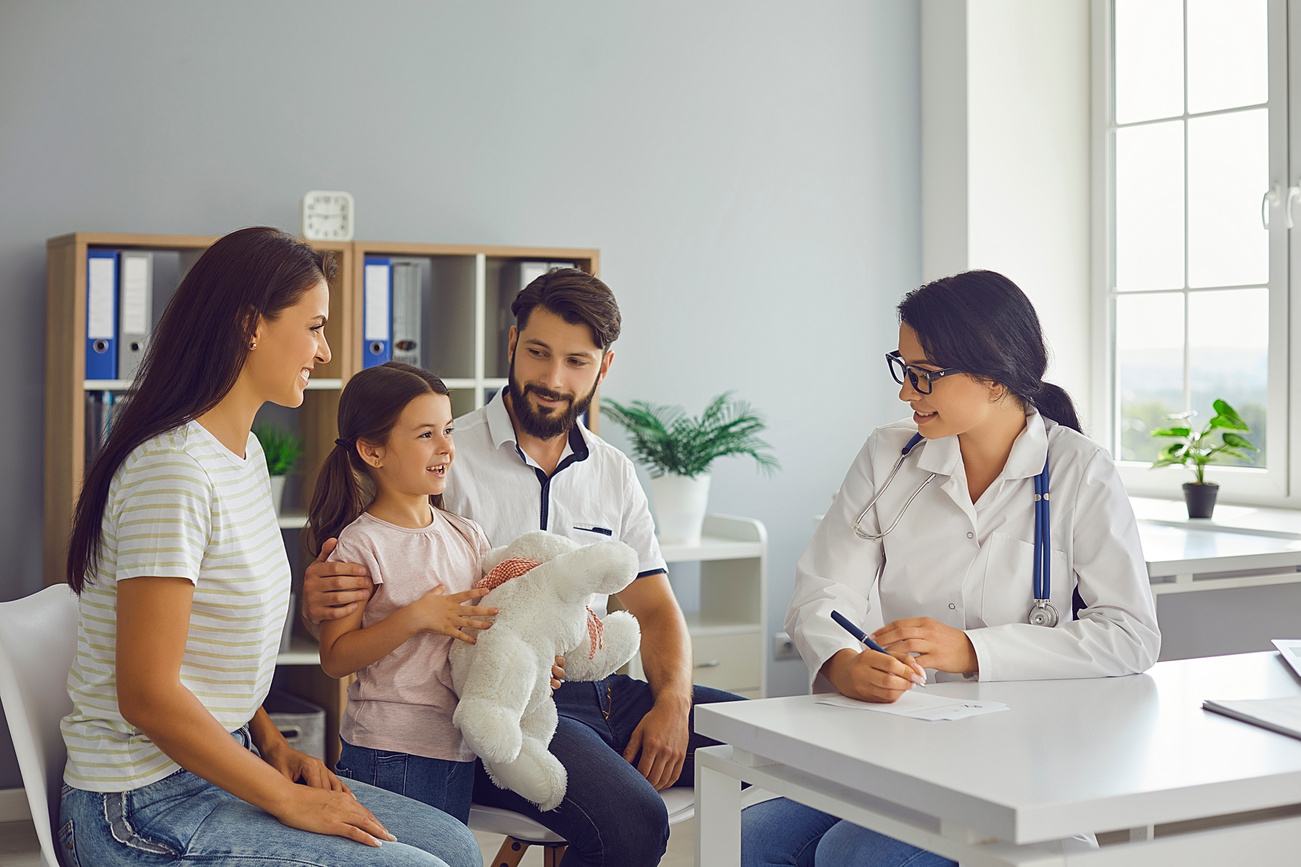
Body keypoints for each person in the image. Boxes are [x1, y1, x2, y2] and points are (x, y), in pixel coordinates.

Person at [58, 227, 480, 867]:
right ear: (250, 325)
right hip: (138, 804)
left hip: (225, 762)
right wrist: (286, 801)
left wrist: (273, 745)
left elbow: (210, 655)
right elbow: (146, 695)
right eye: (314, 327)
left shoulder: (244, 454)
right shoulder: (172, 471)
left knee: (455, 847)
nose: (325, 350)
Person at [302, 267, 744, 866]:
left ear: (604, 367)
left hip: (603, 687)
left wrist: (673, 703)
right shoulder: (440, 453)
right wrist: (321, 597)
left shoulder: (612, 471)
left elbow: (656, 607)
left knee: (773, 744)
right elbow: (365, 578)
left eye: (577, 362)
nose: (553, 379)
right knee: (634, 822)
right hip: (508, 698)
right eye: (538, 353)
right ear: (512, 344)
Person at [742, 270, 1161, 867]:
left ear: (994, 378)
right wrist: (843, 663)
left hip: (1020, 754)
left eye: (924, 374)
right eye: (902, 368)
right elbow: (824, 591)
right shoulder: (889, 455)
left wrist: (972, 651)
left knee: (852, 857)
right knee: (747, 841)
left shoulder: (1080, 471)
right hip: (898, 740)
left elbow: (1130, 634)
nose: (906, 393)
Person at [306, 362, 502, 825]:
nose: (446, 447)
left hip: (455, 745)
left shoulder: (467, 534)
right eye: (426, 434)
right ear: (372, 451)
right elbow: (335, 657)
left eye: (447, 430)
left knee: (450, 856)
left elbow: (491, 622)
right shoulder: (360, 544)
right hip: (388, 752)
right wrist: (415, 617)